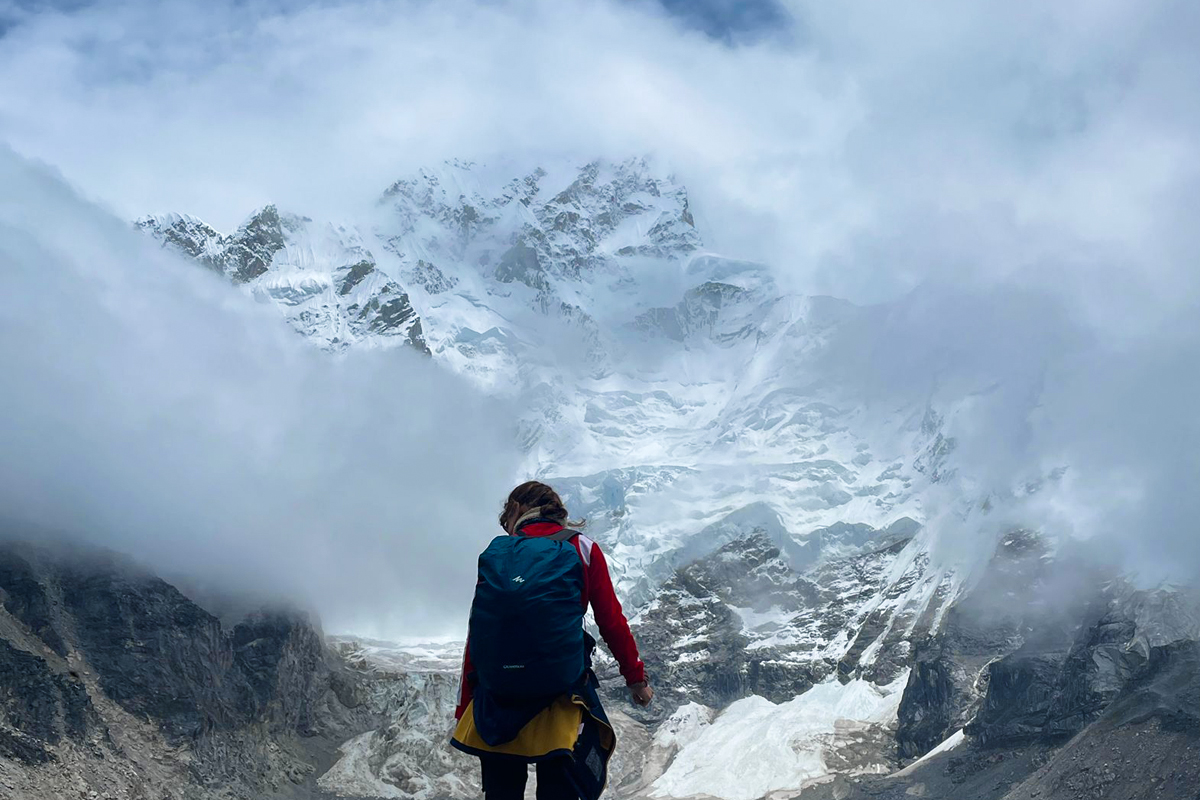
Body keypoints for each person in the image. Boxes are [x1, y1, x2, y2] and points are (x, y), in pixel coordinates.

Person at [452, 480, 653, 800]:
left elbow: (479, 631)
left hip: (497, 699)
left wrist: (466, 703)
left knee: (502, 792)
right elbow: (610, 621)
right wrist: (635, 678)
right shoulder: (582, 548)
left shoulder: (499, 555)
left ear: (517, 510)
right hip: (560, 696)